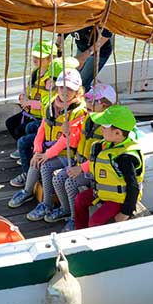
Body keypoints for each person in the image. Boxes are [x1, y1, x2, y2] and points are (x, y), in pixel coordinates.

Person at [7, 68, 87, 220]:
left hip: (68, 154)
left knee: (45, 164)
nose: (65, 91)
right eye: (62, 87)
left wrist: (47, 154)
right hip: (51, 148)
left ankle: (47, 204)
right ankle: (27, 191)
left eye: (70, 88)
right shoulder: (51, 104)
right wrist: (38, 150)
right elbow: (42, 128)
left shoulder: (78, 112)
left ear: (77, 91)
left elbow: (66, 140)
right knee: (36, 158)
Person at [49, 83, 116, 231]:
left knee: (70, 183)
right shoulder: (88, 119)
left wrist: (80, 168)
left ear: (105, 106)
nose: (88, 104)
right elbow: (76, 140)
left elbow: (102, 157)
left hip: (94, 170)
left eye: (94, 101)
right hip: (80, 163)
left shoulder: (109, 129)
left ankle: (75, 219)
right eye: (88, 99)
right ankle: (66, 210)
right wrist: (67, 132)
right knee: (58, 178)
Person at [72, 105, 144, 229]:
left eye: (105, 127)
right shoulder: (107, 145)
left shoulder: (125, 157)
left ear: (117, 133)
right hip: (103, 192)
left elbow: (133, 186)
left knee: (95, 221)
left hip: (118, 199)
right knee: (80, 200)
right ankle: (80, 231)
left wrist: (126, 212)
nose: (101, 130)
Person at [57, 0, 114, 91]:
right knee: (72, 77)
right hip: (81, 45)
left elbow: (107, 33)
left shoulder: (96, 4)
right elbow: (64, 26)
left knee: (81, 84)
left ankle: (82, 107)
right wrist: (58, 46)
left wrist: (85, 55)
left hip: (99, 49)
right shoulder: (68, 4)